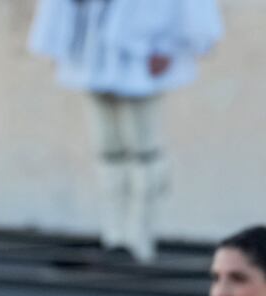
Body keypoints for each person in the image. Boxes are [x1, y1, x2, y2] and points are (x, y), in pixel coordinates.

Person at [28, 0, 223, 262]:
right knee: (108, 149)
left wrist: (168, 45)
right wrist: (60, 38)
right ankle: (115, 236)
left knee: (145, 151)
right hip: (93, 50)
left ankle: (139, 239)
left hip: (141, 51)